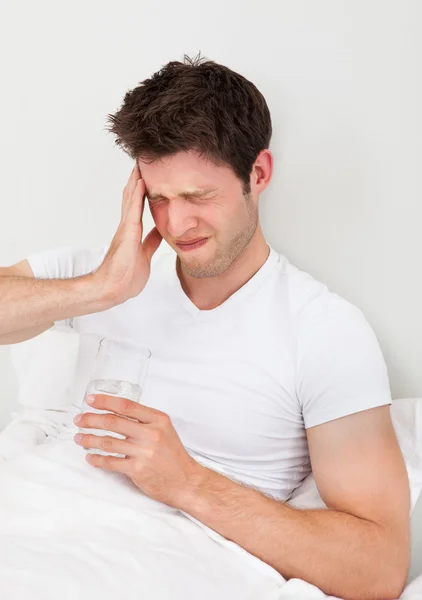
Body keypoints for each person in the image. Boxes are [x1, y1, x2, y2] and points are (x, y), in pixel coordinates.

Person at [0, 54, 410, 599]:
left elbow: (378, 566)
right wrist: (99, 290)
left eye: (198, 196)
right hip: (26, 522)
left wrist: (187, 482)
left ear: (258, 174)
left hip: (151, 564)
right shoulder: (110, 272)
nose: (176, 225)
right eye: (159, 199)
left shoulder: (324, 330)